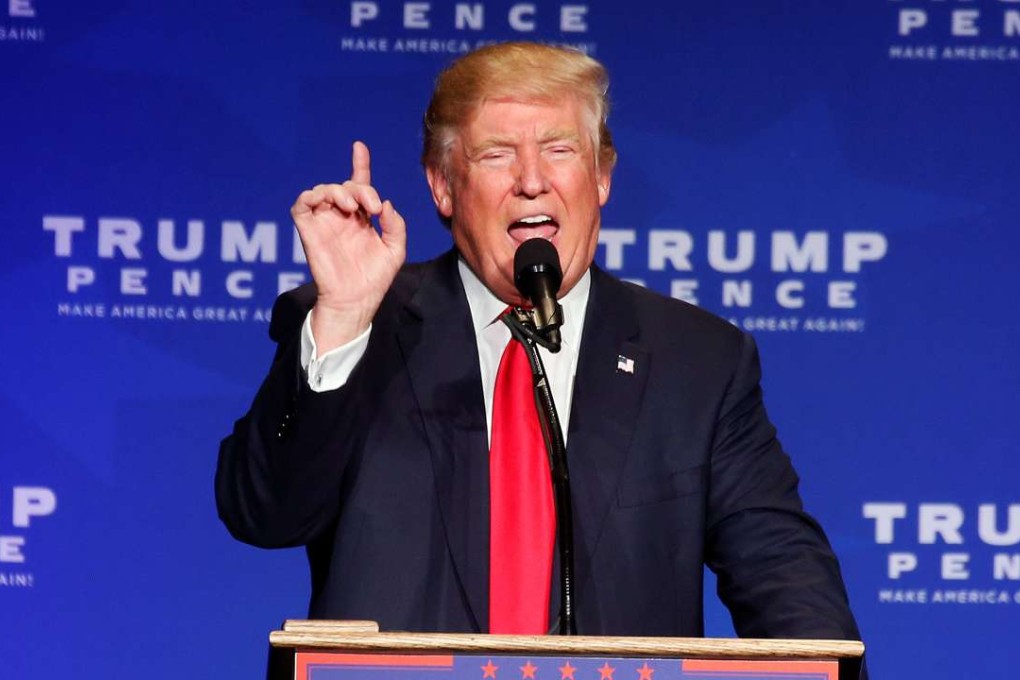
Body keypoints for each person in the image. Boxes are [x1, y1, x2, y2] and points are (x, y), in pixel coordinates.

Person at [216, 42, 863, 645]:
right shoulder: (359, 326)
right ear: (443, 186)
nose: (532, 180)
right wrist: (346, 316)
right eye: (496, 154)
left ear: (602, 176)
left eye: (559, 149)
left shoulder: (697, 361)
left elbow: (783, 574)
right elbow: (265, 515)